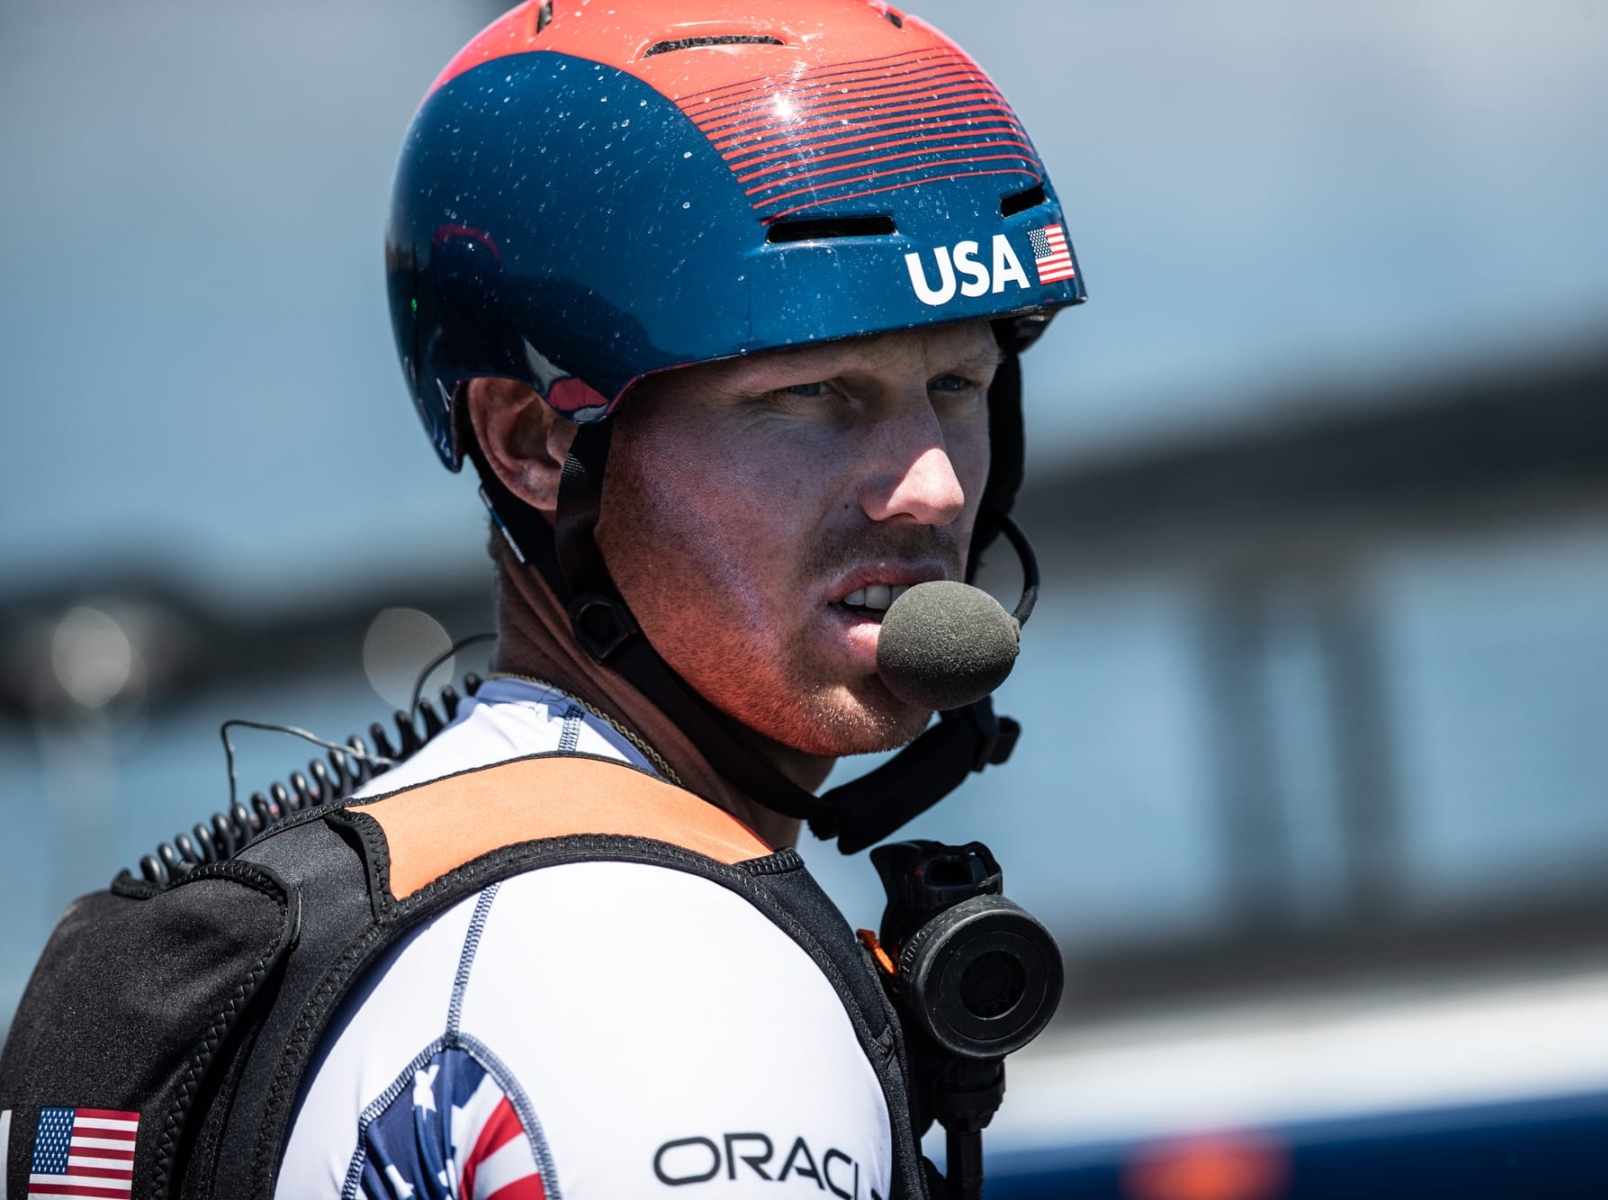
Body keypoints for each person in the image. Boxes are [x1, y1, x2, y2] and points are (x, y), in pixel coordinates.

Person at [0, 2, 1083, 1197]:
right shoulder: (662, 986)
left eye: (957, 381)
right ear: (530, 442)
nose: (930, 483)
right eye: (813, 393)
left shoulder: (440, 882)